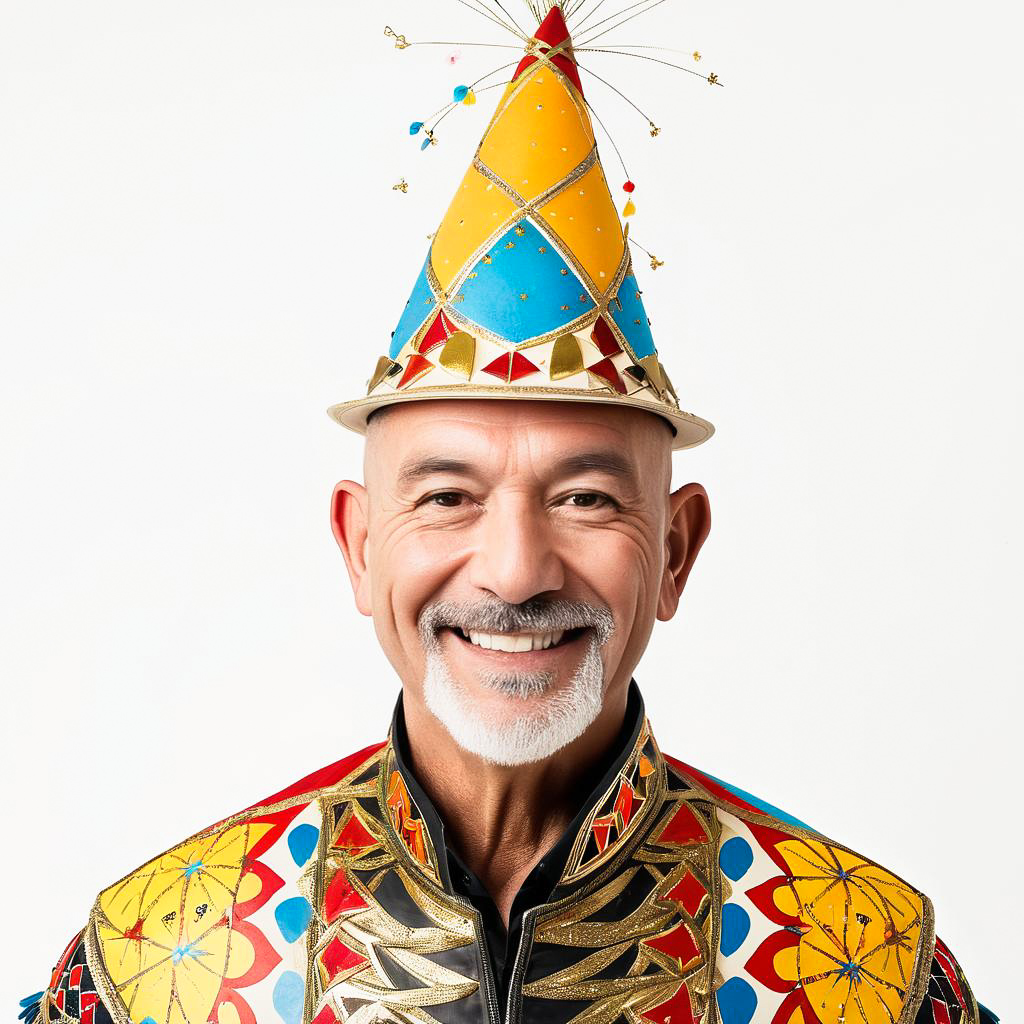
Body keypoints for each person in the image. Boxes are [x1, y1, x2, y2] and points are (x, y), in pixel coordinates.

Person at [19, 5, 995, 1024]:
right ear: (358, 544)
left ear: (675, 549)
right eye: (447, 496)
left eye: (585, 498)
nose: (516, 570)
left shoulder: (868, 967)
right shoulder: (159, 962)